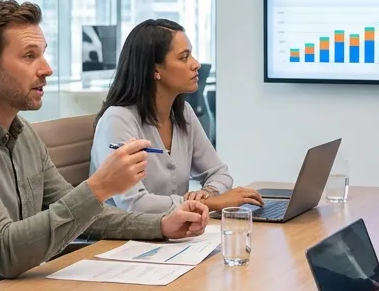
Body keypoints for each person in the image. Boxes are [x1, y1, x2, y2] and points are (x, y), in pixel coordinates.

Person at [0, 0, 208, 291]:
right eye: (29, 56)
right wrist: (99, 186)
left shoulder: (22, 134)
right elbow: (5, 253)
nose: (46, 69)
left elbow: (86, 215)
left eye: (43, 54)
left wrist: (160, 225)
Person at [91, 19, 262, 213]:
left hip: (173, 235)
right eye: (184, 57)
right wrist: (208, 204)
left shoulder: (183, 113)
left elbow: (219, 172)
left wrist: (209, 192)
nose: (196, 64)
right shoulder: (117, 120)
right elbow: (134, 203)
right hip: (122, 239)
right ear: (155, 69)